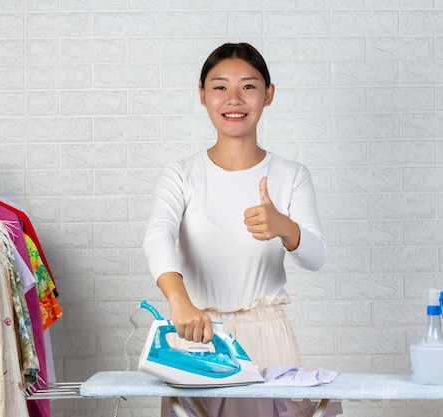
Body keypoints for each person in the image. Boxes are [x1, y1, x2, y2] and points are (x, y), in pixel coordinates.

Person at [143, 42, 340, 417]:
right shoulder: (180, 174)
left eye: (248, 86)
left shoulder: (291, 175)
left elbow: (316, 257)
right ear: (202, 96)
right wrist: (179, 302)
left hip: (269, 339)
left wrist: (284, 226)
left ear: (269, 94)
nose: (234, 98)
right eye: (220, 87)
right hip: (198, 338)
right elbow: (158, 235)